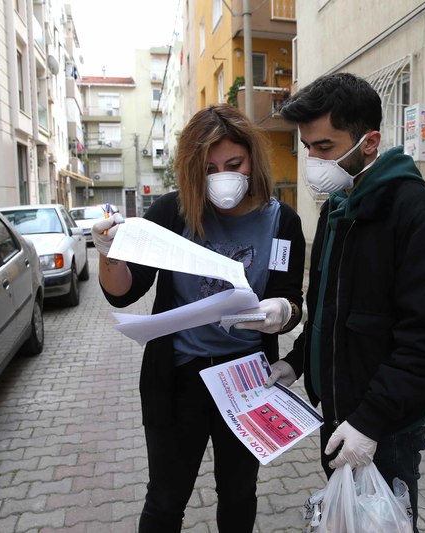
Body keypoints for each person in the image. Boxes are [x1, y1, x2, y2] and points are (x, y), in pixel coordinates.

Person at [262, 72, 425, 531]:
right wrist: (298, 362)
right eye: (307, 148)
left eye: (325, 147)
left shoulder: (421, 216)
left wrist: (370, 422)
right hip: (337, 416)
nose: (314, 161)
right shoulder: (337, 209)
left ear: (369, 142)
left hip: (384, 430)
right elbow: (330, 311)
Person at [91, 104, 305, 533]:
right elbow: (125, 291)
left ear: (252, 160)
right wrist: (109, 255)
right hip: (178, 378)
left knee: (239, 492)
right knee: (166, 499)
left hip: (247, 380)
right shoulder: (173, 213)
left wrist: (284, 313)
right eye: (209, 169)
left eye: (234, 164)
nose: (223, 177)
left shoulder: (282, 222)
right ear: (192, 169)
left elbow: (289, 301)